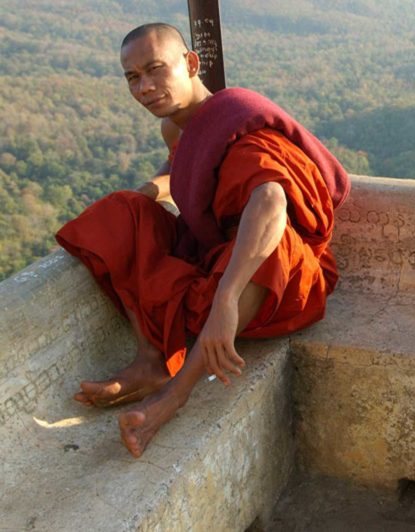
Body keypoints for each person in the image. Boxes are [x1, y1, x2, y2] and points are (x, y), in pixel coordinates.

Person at [56, 23, 349, 458]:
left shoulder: (238, 123)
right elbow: (181, 172)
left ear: (190, 64)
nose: (145, 87)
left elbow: (270, 200)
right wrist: (143, 196)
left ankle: (174, 394)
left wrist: (226, 302)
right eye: (133, 77)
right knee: (118, 211)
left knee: (275, 244)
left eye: (156, 69)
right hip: (211, 259)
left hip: (276, 284)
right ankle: (151, 359)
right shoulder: (176, 129)